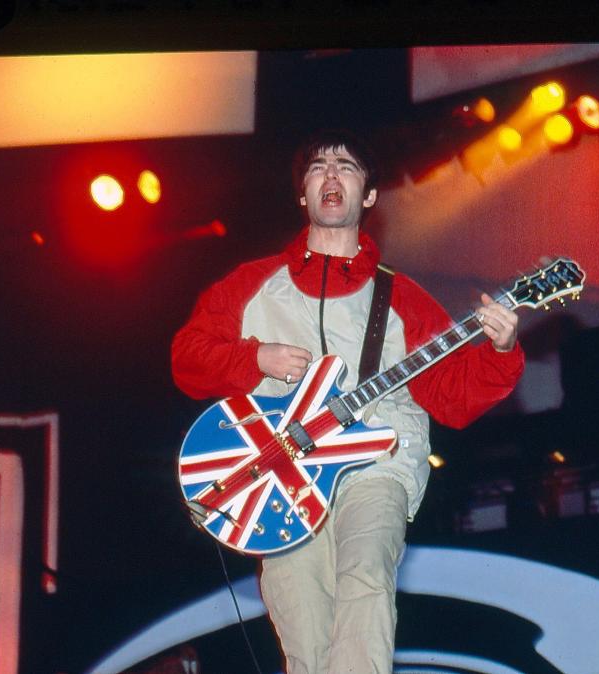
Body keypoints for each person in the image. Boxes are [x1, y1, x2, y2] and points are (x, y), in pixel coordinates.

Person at [171, 129, 525, 674]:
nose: (332, 175)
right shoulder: (252, 284)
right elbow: (187, 358)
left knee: (365, 574)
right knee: (303, 622)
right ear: (302, 194)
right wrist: (255, 357)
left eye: (347, 166)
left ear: (369, 196)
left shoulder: (403, 297)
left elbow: (452, 398)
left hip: (377, 462)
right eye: (318, 167)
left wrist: (500, 350)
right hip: (280, 475)